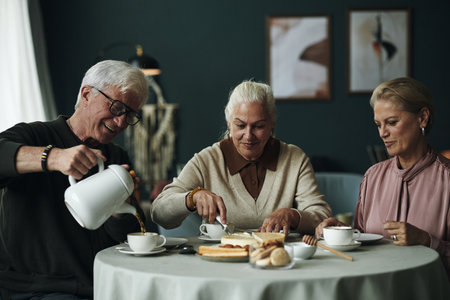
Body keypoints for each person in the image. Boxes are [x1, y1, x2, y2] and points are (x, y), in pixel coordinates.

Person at [0, 60, 148, 299]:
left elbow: (126, 239)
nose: (122, 122)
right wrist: (52, 157)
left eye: (130, 115)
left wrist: (120, 208)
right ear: (87, 94)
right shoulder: (35, 135)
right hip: (34, 290)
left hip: (100, 286)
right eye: (117, 107)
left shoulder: (116, 157)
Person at [152, 80, 331, 234]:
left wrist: (293, 215)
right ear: (229, 124)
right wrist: (192, 197)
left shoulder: (295, 158)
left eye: (258, 126)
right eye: (240, 125)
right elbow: (159, 213)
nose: (248, 135)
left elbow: (321, 215)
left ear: (272, 125)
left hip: (279, 259)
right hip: (223, 261)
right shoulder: (207, 160)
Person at [315, 77, 450, 277]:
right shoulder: (372, 176)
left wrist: (427, 241)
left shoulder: (447, 180)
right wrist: (342, 232)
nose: (382, 133)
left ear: (422, 117)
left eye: (392, 122)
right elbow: (361, 238)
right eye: (378, 124)